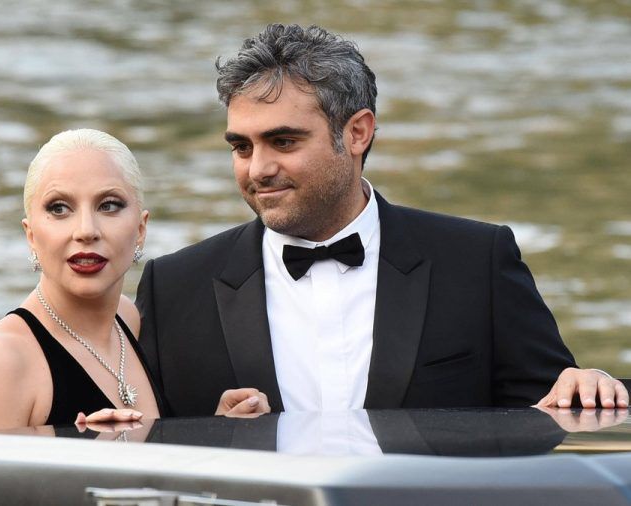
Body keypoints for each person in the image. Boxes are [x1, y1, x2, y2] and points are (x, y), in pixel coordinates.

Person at [135, 24, 629, 417]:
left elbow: (558, 411)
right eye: (241, 146)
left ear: (357, 133)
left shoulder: (478, 262)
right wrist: (217, 439)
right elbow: (145, 453)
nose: (258, 169)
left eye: (283, 142)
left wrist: (592, 386)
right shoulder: (174, 285)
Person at [0, 129, 268, 431]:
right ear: (31, 235)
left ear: (140, 230)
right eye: (59, 208)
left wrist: (220, 434)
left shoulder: (130, 321)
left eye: (108, 205)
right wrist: (82, 456)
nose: (86, 230)